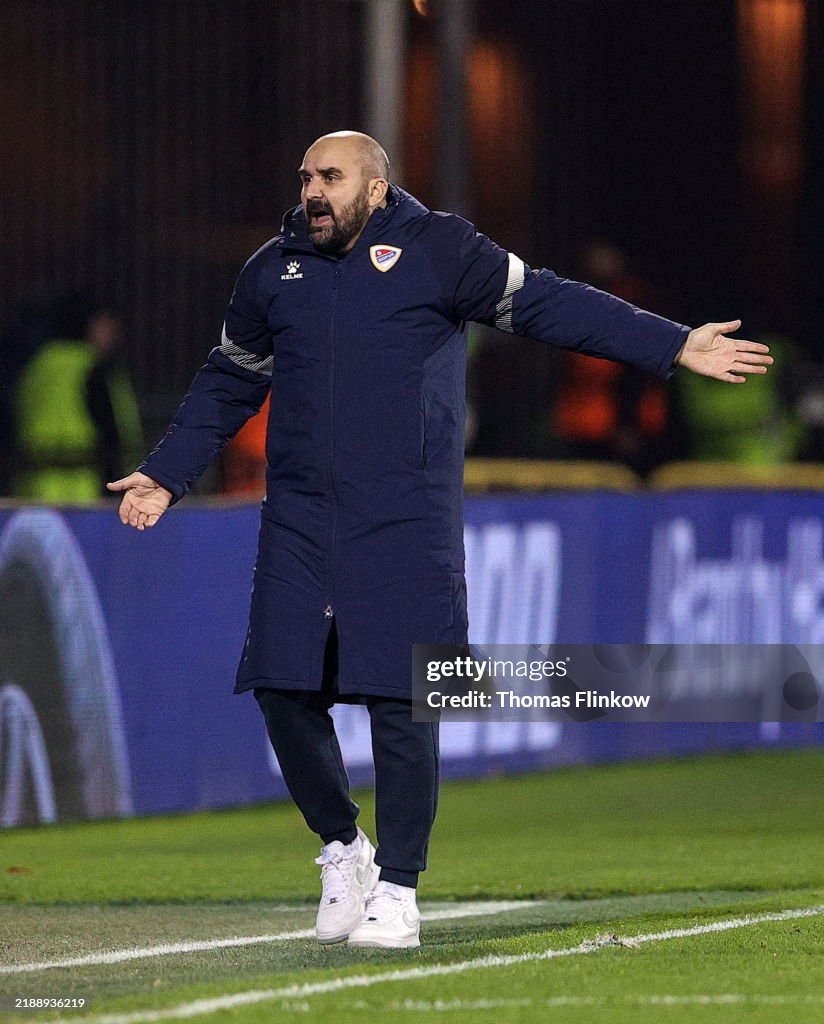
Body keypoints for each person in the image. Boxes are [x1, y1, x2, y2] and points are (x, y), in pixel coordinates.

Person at [108, 131, 772, 949]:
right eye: (306, 177)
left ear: (376, 188)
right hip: (301, 519)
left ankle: (399, 890)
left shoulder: (441, 249)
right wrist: (166, 473)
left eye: (331, 177)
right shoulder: (272, 270)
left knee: (404, 699)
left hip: (406, 520)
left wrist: (670, 343)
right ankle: (344, 847)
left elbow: (553, 303)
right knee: (281, 686)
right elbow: (228, 381)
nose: (313, 191)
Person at [15, 297, 142, 504]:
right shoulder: (94, 366)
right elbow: (116, 428)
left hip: (34, 482)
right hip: (83, 483)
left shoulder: (37, 364)